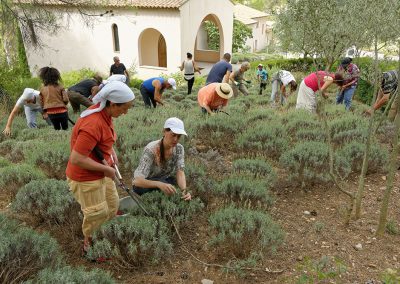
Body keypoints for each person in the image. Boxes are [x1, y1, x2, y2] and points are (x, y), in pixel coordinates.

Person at [66, 81, 135, 257]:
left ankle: (104, 235)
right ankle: (91, 247)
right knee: (97, 214)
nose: (126, 112)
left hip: (101, 171)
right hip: (85, 178)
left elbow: (102, 140)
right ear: (112, 104)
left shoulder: (106, 115)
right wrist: (107, 170)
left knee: (112, 205)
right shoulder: (93, 123)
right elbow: (77, 158)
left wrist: (110, 151)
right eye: (124, 108)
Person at [132, 117, 191, 201]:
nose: (175, 139)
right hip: (146, 184)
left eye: (178, 136)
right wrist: (159, 184)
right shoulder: (151, 149)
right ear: (164, 131)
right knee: (169, 190)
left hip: (164, 180)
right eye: (173, 135)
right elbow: (136, 181)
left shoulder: (179, 149)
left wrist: (184, 191)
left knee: (176, 189)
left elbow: (180, 172)